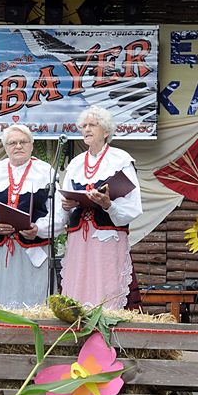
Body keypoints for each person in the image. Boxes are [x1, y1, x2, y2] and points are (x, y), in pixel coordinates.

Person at [58, 106, 142, 310]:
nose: (86, 129)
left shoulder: (120, 160)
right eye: (84, 125)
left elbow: (133, 206)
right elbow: (64, 202)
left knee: (106, 286)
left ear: (106, 131)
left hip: (107, 237)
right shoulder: (76, 163)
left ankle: (105, 331)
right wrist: (67, 205)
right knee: (79, 283)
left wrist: (108, 205)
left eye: (92, 125)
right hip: (80, 239)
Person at [0, 124, 62, 308]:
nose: (18, 146)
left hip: (32, 250)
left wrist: (38, 228)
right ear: (5, 147)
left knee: (32, 299)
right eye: (12, 143)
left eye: (23, 142)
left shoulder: (46, 172)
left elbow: (58, 215)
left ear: (31, 145)